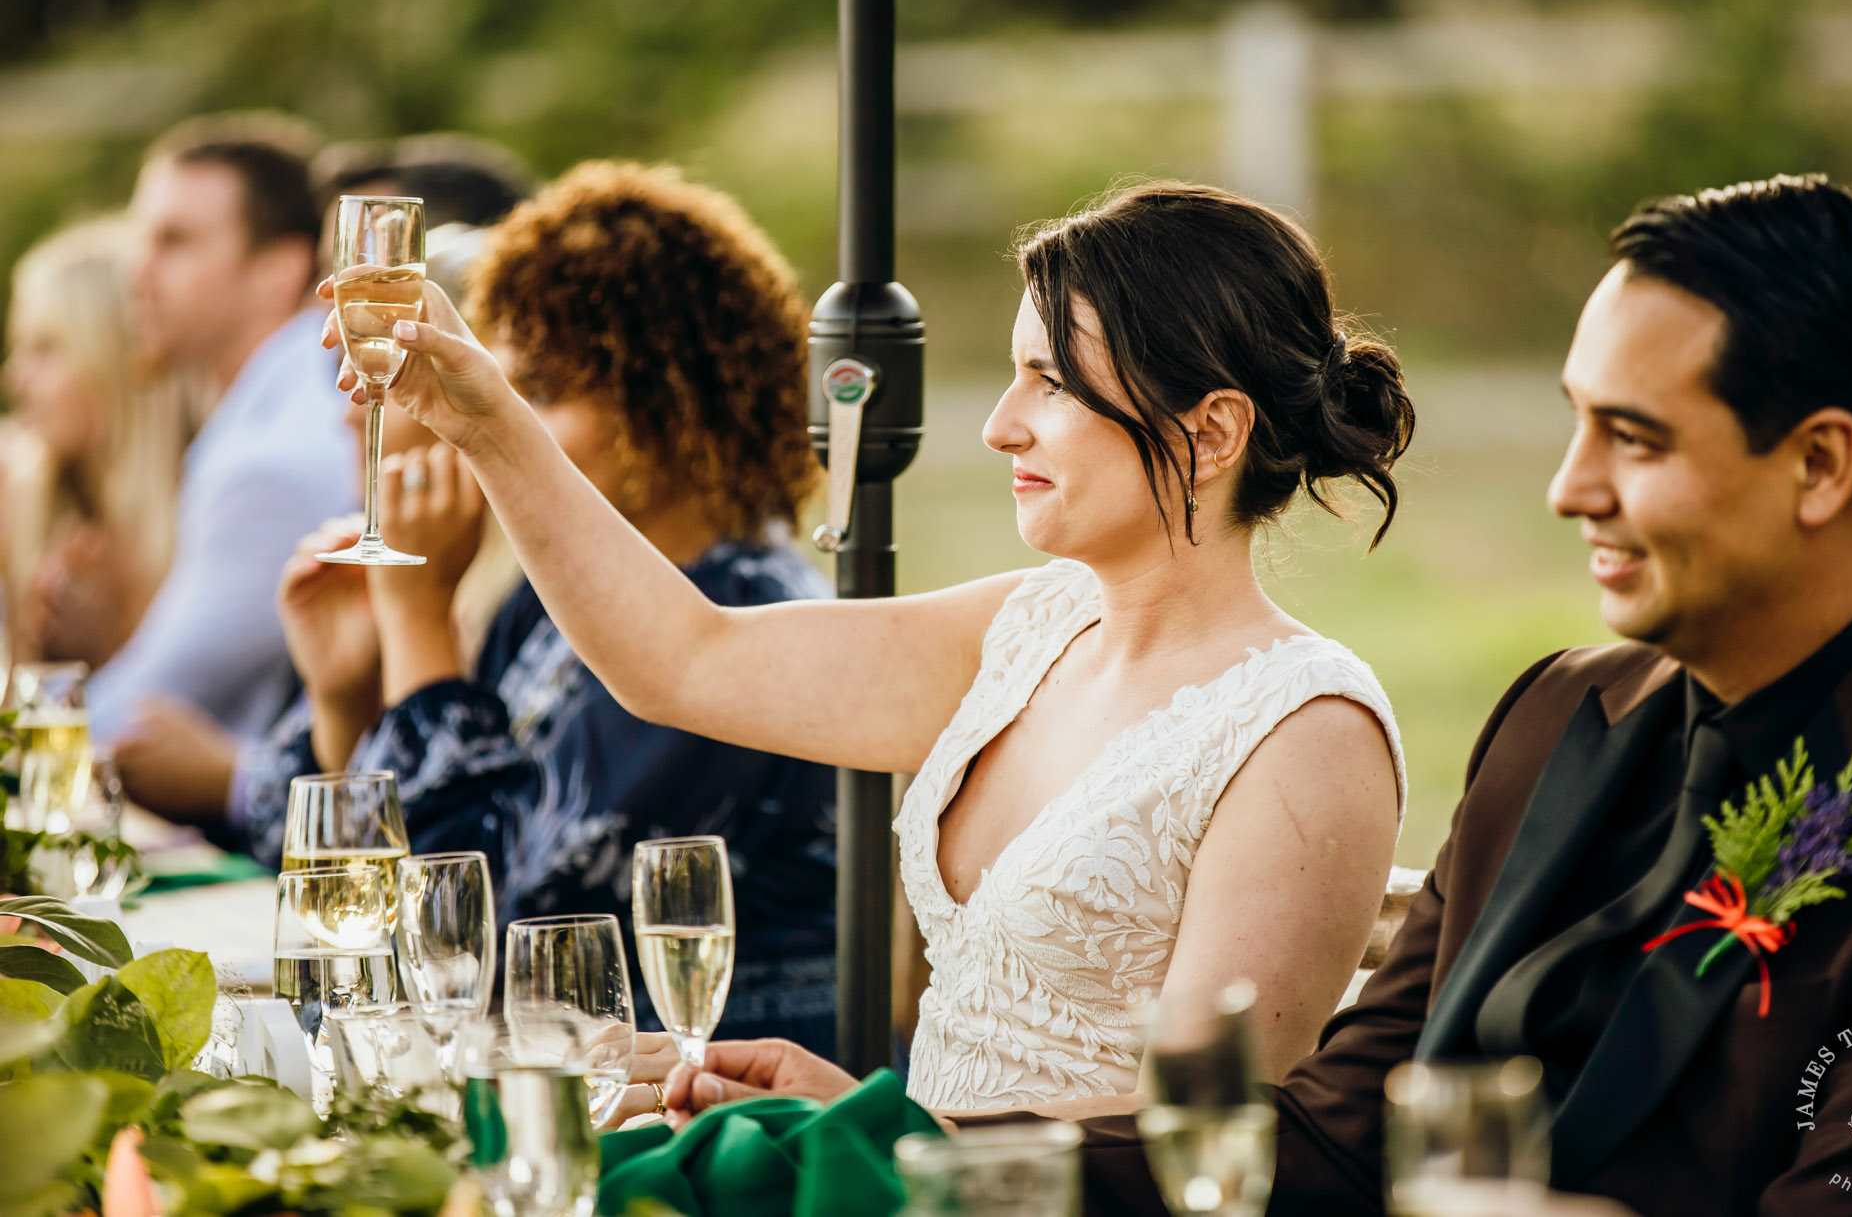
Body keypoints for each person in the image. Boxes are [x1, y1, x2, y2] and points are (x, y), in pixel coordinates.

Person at [738, 174, 1852, 1216]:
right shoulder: (1558, 718)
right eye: (1574, 426)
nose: (1568, 487)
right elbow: (1330, 1141)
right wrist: (896, 1145)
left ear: (1820, 463)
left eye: (1634, 439)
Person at [333, 180, 1414, 1113]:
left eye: (1051, 383)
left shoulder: (1303, 730)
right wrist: (482, 418)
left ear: (1212, 431)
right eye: (1012, 373)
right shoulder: (1023, 630)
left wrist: (874, 1133)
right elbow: (679, 660)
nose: (998, 423)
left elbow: (1192, 1132)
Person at [284, 161, 842, 1049]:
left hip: (718, 1112)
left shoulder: (740, 615)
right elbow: (313, 869)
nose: (507, 423)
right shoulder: (555, 604)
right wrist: (347, 693)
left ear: (665, 398)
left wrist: (421, 627)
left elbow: (478, 942)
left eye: (539, 391)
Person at [110, 139, 534, 825]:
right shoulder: (408, 557)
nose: (344, 405)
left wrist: (413, 622)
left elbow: (453, 874)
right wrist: (340, 703)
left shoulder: (525, 600)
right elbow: (352, 850)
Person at [81, 114, 354, 747]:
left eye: (174, 242)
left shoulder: (271, 461)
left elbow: (143, 706)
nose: (136, 271)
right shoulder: (274, 410)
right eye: (140, 238)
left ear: (279, 270)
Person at [1, 218, 191, 670]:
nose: (14, 379)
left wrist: (108, 645)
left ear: (118, 357)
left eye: (45, 349)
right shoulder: (25, 503)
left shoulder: (199, 513)